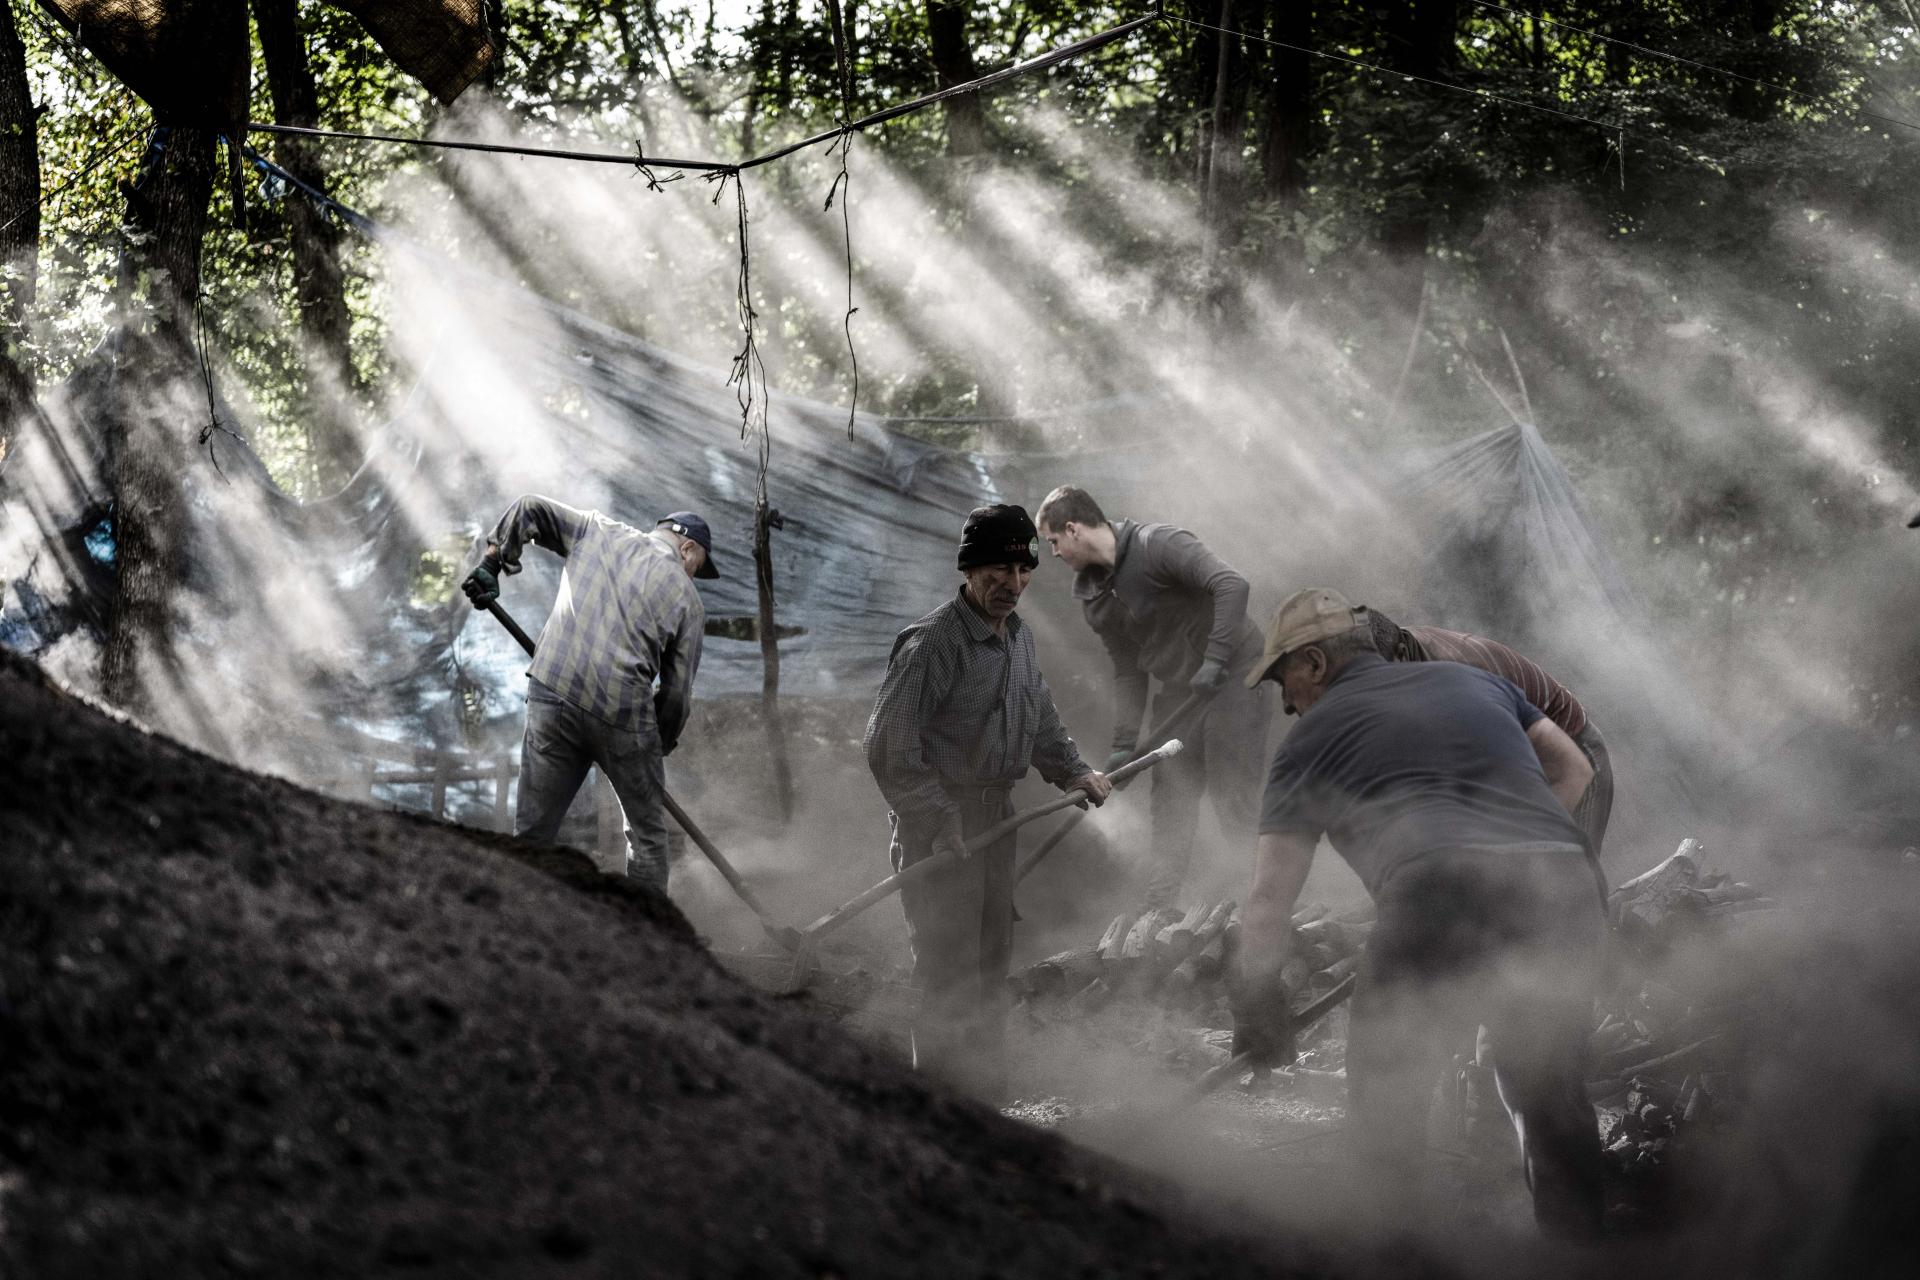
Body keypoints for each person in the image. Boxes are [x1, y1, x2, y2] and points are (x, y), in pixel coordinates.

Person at [1232, 588, 1606, 1240]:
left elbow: (1268, 899)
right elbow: (1575, 766)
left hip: (1437, 891)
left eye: (1283, 679)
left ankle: (1399, 1256)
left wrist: (1257, 998)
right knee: (1552, 1094)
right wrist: (1523, 846)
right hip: (1562, 886)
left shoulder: (1303, 744)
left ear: (1315, 663)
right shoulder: (1475, 682)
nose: (1286, 702)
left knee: (1388, 1102)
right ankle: (1583, 1257)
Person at [864, 503, 1112, 1097]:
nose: (1014, 584)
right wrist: (939, 818)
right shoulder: (932, 645)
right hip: (939, 823)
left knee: (990, 960)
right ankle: (942, 1106)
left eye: (1024, 569)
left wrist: (1074, 771)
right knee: (948, 971)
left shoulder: (1018, 640)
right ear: (971, 568)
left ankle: (985, 1102)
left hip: (994, 818)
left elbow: (1039, 715)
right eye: (1000, 568)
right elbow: (887, 746)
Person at [461, 497, 716, 891]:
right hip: (622, 716)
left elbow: (529, 506)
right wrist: (657, 742)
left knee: (532, 832)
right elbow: (677, 694)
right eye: (698, 566)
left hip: (551, 691)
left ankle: (514, 921)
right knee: (647, 841)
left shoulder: (596, 529)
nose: (694, 576)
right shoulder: (688, 601)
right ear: (687, 549)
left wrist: (492, 562)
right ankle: (643, 937)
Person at [1033, 486, 1270, 907]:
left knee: (1230, 785)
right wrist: (1125, 745)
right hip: (1182, 692)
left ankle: (1263, 895)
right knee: (1171, 795)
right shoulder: (1094, 599)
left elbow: (1232, 585)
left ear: (1072, 530)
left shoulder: (1157, 544)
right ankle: (1159, 904)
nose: (1053, 552)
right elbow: (1129, 669)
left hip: (1234, 674)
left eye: (1052, 541)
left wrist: (1215, 658)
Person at [1366, 609, 1614, 866]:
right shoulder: (1397, 657)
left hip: (1571, 756)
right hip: (1518, 765)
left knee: (1561, 884)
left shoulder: (1459, 683)